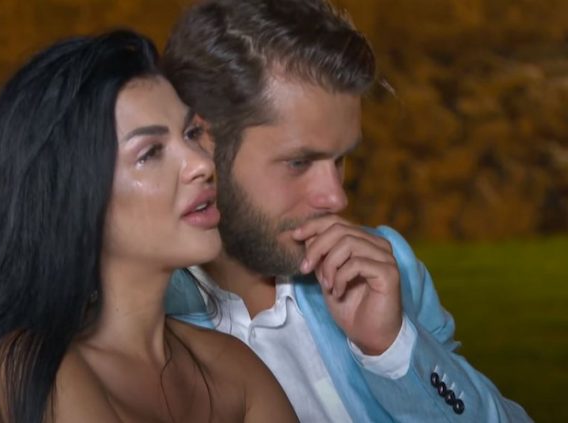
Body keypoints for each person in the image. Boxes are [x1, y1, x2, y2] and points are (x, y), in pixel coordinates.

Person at [161, 0, 532, 421]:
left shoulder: (385, 269)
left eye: (339, 160)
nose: (336, 199)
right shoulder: (141, 318)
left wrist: (392, 350)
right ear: (200, 141)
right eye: (299, 162)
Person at [0, 30, 297, 423]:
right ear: (75, 195)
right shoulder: (31, 368)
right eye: (150, 152)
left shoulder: (234, 368)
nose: (202, 163)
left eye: (192, 133)